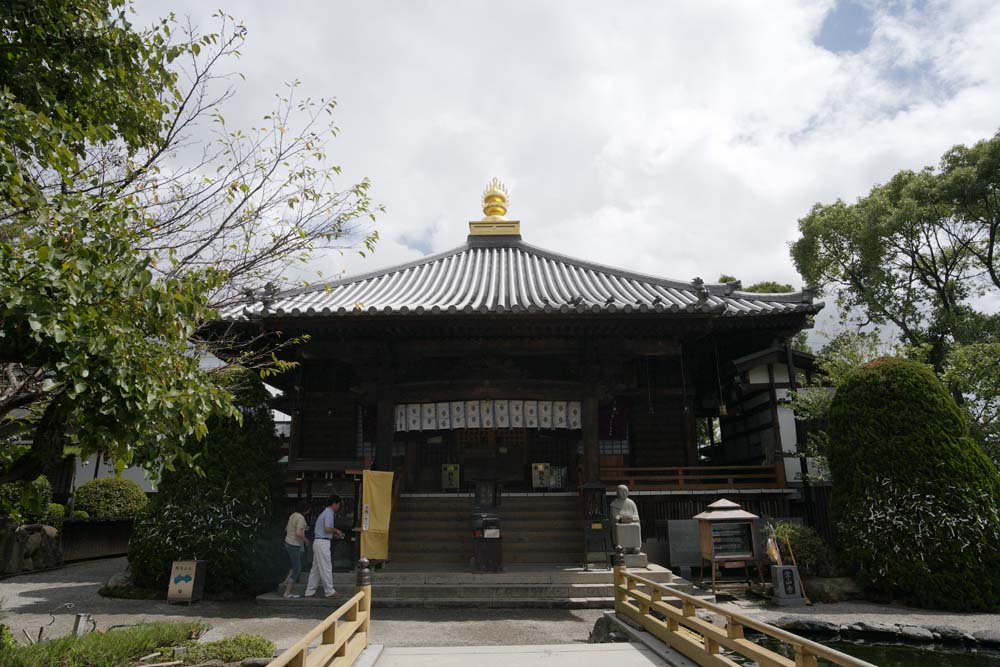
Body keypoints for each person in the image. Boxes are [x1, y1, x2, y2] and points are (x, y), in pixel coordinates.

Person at [304, 494, 344, 598]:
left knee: (316, 568)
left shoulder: (324, 513)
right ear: (334, 504)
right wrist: (336, 531)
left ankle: (310, 591)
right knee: (326, 566)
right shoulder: (329, 513)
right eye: (338, 504)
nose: (339, 507)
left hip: (318, 542)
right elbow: (327, 529)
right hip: (323, 543)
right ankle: (330, 591)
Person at [281, 502, 309, 599]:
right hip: (294, 544)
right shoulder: (301, 518)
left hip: (287, 542)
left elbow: (286, 529)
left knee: (293, 565)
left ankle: (285, 583)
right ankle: (287, 593)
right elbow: (298, 533)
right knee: (297, 568)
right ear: (307, 510)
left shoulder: (292, 515)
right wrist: (305, 540)